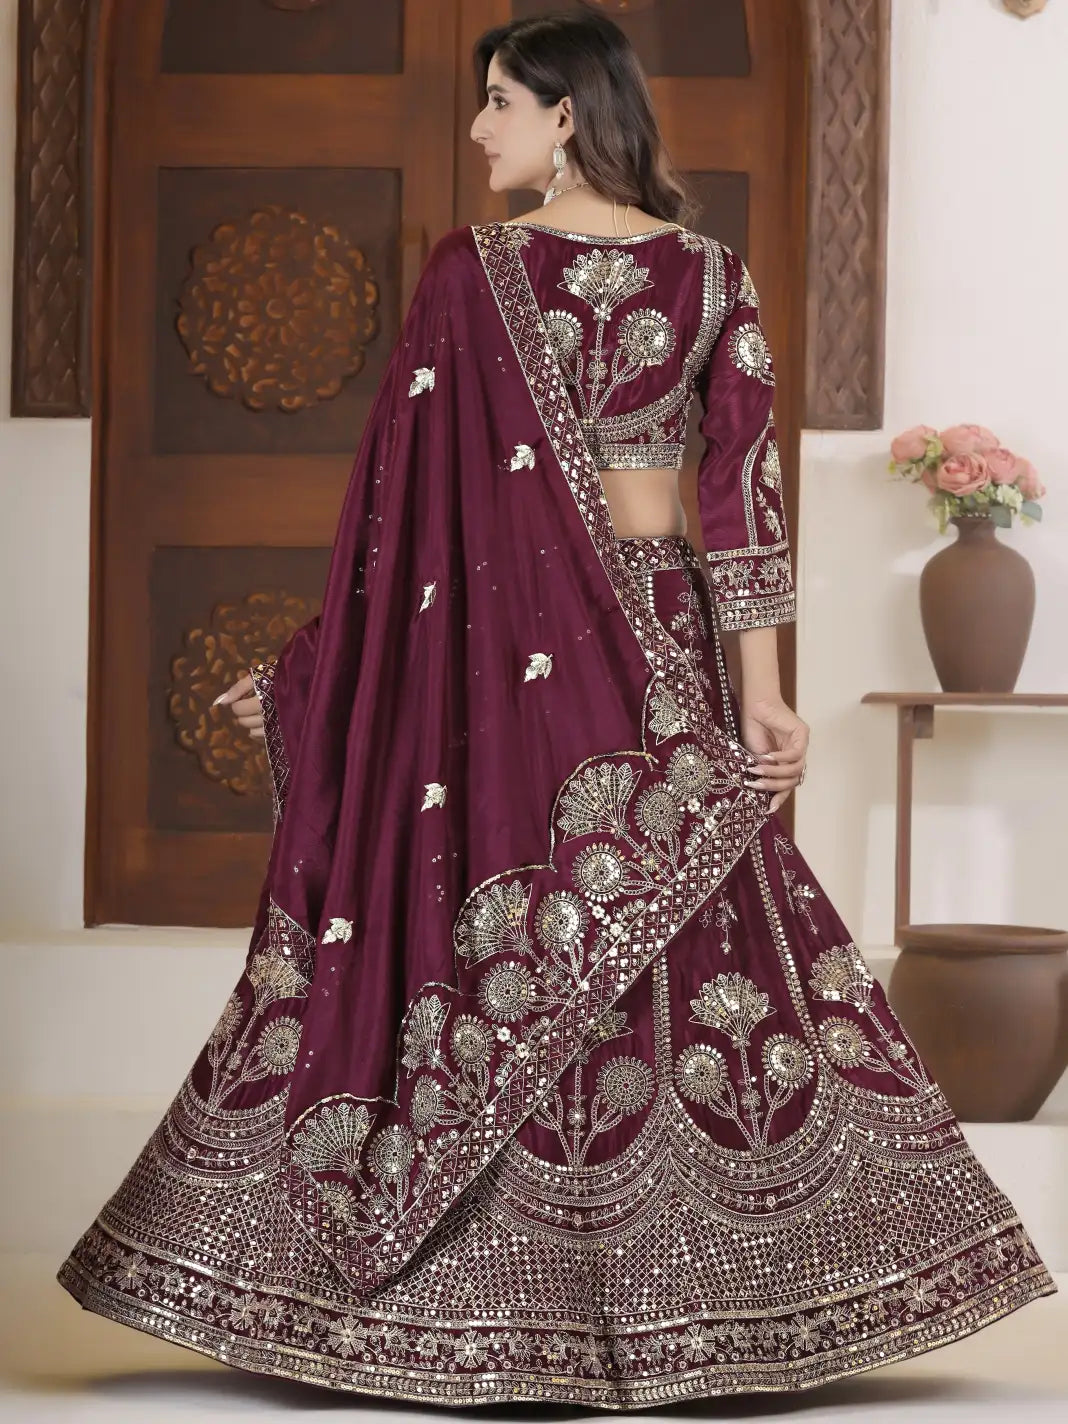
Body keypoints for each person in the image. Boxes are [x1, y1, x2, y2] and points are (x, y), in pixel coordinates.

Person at [58, 11, 1055, 1409]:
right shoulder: (672, 276)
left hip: (579, 646)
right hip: (627, 639)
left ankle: (647, 1296)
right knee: (602, 920)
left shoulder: (533, 276)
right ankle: (644, 1300)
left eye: (498, 103)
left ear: (567, 114)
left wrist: (759, 704)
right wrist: (763, 694)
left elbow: (701, 496)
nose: (477, 130)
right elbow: (677, 513)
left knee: (557, 916)